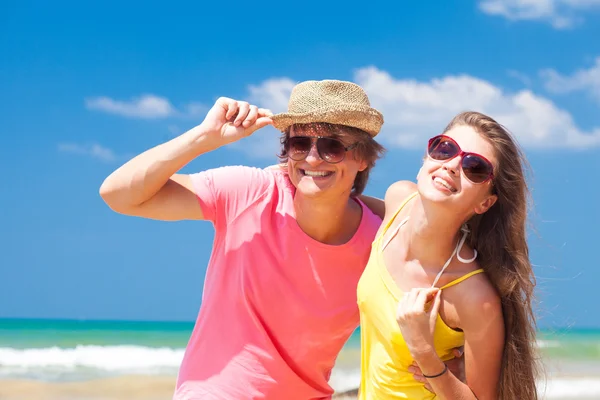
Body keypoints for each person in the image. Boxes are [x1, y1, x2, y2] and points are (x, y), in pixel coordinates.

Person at [99, 79, 390, 399]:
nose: (312, 158)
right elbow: (119, 195)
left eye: (331, 146)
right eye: (300, 144)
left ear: (362, 158)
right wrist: (203, 138)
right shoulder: (250, 192)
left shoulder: (381, 239)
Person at [357, 111, 540, 399]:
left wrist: (425, 354)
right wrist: (284, 177)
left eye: (475, 167)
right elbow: (341, 206)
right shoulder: (397, 202)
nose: (453, 165)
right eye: (445, 149)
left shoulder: (474, 298)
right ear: (426, 159)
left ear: (485, 202)